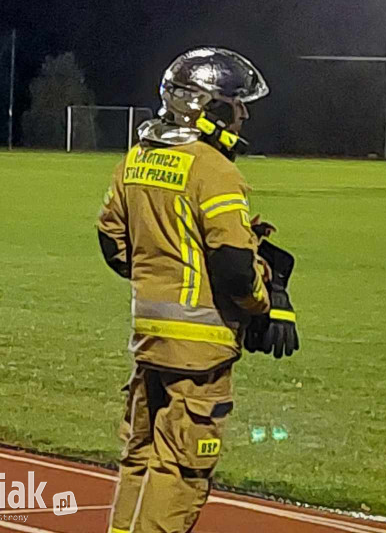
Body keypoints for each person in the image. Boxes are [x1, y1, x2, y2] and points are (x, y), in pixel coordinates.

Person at [97, 47, 299, 533]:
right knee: (181, 469)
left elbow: (112, 241)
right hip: (201, 352)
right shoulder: (214, 169)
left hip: (148, 341)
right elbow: (233, 266)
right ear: (206, 108)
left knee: (139, 459)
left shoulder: (137, 159)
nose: (243, 114)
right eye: (234, 104)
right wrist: (263, 305)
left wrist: (161, 270)